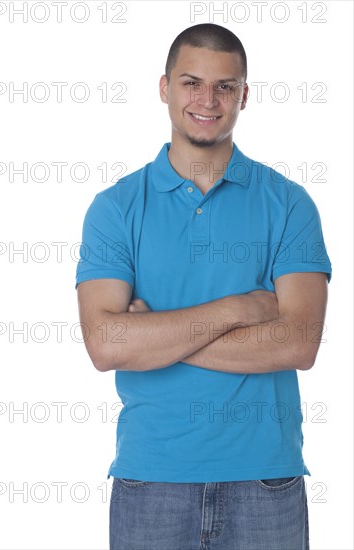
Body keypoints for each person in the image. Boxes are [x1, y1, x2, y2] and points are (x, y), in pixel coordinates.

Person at [75, 23, 331, 550]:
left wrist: (151, 337)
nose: (207, 100)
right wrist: (239, 308)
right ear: (165, 88)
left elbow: (299, 343)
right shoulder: (116, 209)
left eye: (225, 86)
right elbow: (105, 346)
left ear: (244, 95)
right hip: (152, 478)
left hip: (266, 478)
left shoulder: (289, 204)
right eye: (192, 82)